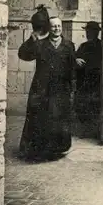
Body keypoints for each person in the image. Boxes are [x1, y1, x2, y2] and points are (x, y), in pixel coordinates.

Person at [18, 16, 76, 161]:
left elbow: (72, 68)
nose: (57, 29)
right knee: (41, 119)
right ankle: (40, 152)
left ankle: (57, 150)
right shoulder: (40, 44)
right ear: (48, 28)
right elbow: (23, 55)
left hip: (61, 89)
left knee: (58, 119)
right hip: (42, 88)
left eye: (59, 26)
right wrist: (32, 39)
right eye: (54, 26)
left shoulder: (69, 45)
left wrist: (72, 87)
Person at [75, 21, 102, 137]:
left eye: (91, 31)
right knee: (82, 105)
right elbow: (75, 59)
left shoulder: (102, 46)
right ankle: (85, 130)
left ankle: (95, 131)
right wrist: (76, 61)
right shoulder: (83, 46)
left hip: (97, 80)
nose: (88, 33)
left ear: (97, 32)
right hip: (83, 80)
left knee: (95, 105)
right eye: (87, 31)